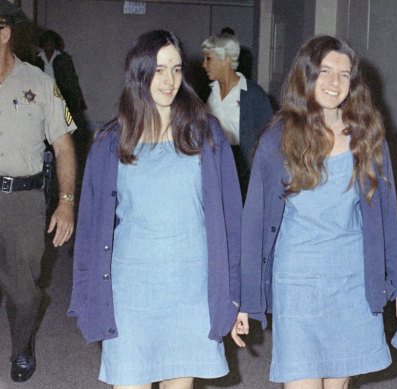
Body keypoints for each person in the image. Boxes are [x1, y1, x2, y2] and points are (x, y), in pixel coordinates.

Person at [235, 35, 397, 388]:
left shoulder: (366, 137)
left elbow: (386, 219)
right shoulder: (278, 139)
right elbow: (254, 225)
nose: (334, 83)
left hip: (351, 279)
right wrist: (246, 298)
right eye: (325, 72)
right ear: (306, 75)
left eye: (344, 74)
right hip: (297, 281)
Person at [67, 30, 242, 388]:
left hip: (191, 286)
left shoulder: (206, 134)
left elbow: (230, 222)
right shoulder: (111, 140)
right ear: (139, 73)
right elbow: (89, 228)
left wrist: (236, 295)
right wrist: (86, 293)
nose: (169, 80)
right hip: (131, 288)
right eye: (159, 70)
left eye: (176, 69)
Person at [0, 1, 77, 382]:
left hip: (23, 199)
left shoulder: (40, 84)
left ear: (4, 34)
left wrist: (65, 202)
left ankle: (22, 344)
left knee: (23, 288)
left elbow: (63, 146)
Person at [201, 33, 272, 199]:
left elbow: (270, 139)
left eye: (208, 59)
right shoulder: (207, 93)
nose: (204, 65)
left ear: (226, 59)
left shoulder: (254, 94)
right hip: (213, 164)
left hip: (242, 171)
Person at [33, 30, 89, 165]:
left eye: (52, 44)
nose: (49, 47)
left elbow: (71, 80)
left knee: (65, 126)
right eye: (47, 44)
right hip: (43, 95)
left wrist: (75, 100)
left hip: (62, 95)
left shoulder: (63, 58)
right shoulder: (37, 58)